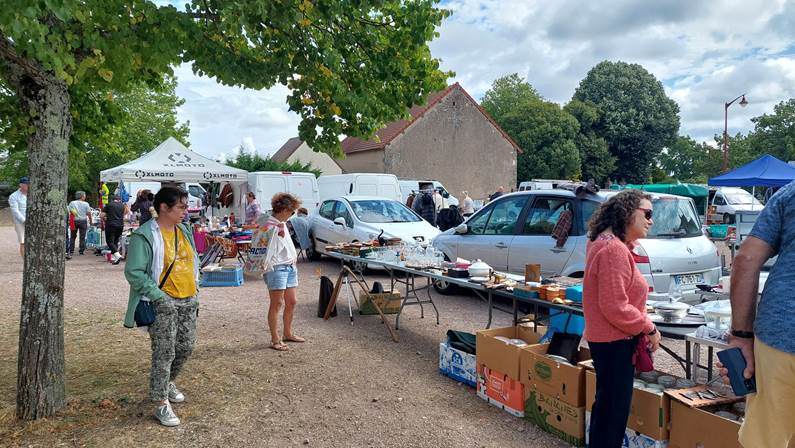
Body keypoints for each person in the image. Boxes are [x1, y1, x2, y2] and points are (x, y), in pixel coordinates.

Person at [717, 181, 795, 448]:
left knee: (764, 442)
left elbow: (746, 259)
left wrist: (740, 336)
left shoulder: (790, 193)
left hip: (781, 337)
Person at [582, 189, 660, 448]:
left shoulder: (605, 242)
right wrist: (649, 327)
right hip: (615, 341)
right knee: (613, 413)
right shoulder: (613, 249)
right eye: (647, 213)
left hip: (608, 340)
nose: (651, 220)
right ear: (627, 213)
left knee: (606, 408)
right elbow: (615, 306)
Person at [123, 187, 199, 427]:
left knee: (185, 347)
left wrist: (196, 289)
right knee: (164, 352)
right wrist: (159, 297)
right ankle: (160, 402)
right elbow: (134, 272)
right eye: (181, 207)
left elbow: (192, 260)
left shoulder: (184, 230)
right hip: (162, 301)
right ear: (164, 207)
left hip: (188, 298)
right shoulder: (144, 235)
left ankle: (167, 383)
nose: (186, 211)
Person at [250, 193, 304, 351]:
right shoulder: (268, 222)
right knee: (277, 303)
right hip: (276, 267)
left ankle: (288, 333)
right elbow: (259, 241)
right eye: (291, 211)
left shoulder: (280, 222)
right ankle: (275, 339)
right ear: (285, 210)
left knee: (292, 301)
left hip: (289, 266)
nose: (292, 215)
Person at [103, 195, 127, 264]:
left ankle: (117, 255)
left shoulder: (109, 205)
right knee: (115, 241)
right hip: (120, 225)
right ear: (119, 200)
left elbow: (102, 215)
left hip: (111, 225)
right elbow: (126, 212)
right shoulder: (122, 205)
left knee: (110, 242)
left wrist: (105, 218)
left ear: (112, 199)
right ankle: (115, 258)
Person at [67, 191, 92, 258]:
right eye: (84, 196)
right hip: (83, 221)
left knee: (72, 236)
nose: (85, 197)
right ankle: (81, 251)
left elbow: (69, 211)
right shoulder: (86, 204)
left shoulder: (72, 203)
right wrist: (91, 220)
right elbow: (89, 213)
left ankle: (71, 250)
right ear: (82, 196)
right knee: (82, 236)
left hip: (74, 221)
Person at [9, 176, 28, 257]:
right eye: (25, 184)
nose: (27, 185)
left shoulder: (33, 194)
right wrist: (24, 221)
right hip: (20, 222)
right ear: (21, 185)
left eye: (28, 184)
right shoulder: (13, 196)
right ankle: (25, 263)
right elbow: (15, 211)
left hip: (33, 221)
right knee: (23, 242)